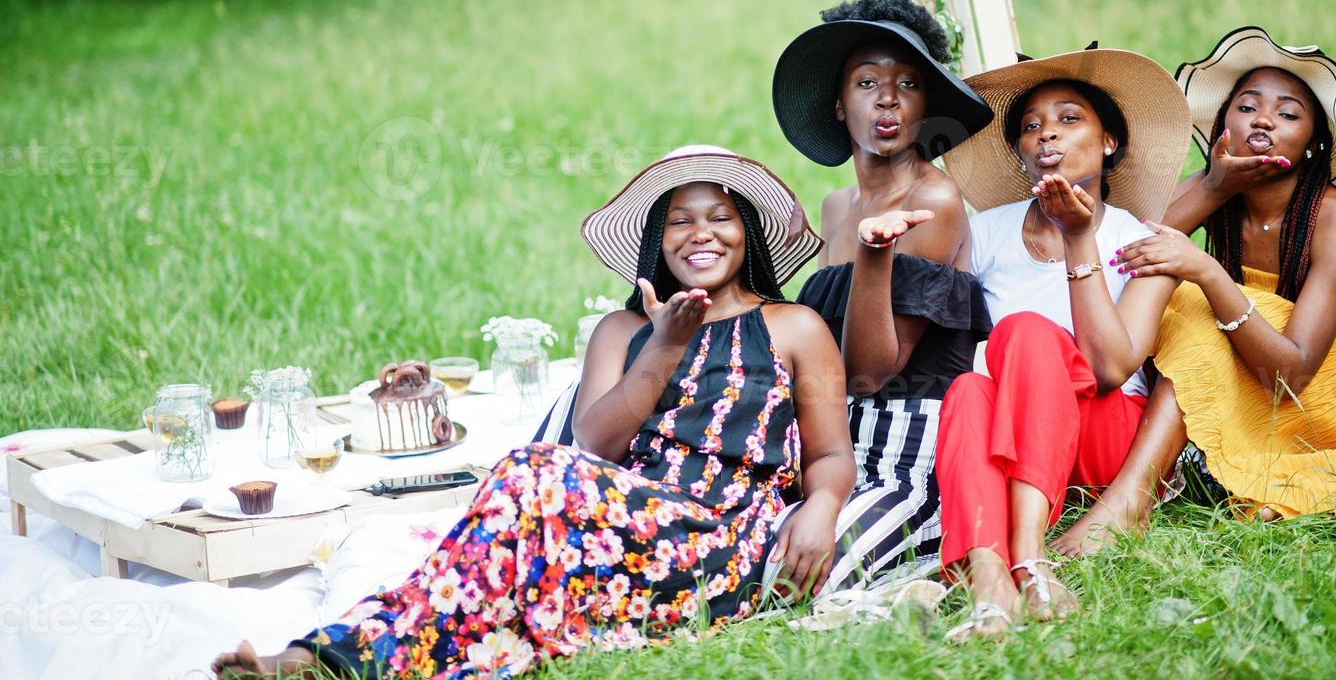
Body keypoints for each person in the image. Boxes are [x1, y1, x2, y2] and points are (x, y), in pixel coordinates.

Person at [212, 146, 855, 677]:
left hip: (721, 542)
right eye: (681, 221)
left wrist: (822, 506)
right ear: (658, 239)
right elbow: (597, 445)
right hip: (611, 528)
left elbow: (829, 455)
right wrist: (663, 346)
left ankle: (321, 660)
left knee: (526, 475)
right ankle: (321, 660)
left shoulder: (794, 327)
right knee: (493, 584)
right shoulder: (621, 330)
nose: (702, 234)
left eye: (720, 217)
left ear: (749, 232)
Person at [1055, 28, 1336, 554]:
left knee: (1191, 303)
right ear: (1221, 125)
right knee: (1172, 292)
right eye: (1248, 107)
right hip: (1257, 369)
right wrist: (1215, 186)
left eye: (1288, 114)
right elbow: (1129, 258)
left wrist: (1210, 274)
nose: (1263, 121)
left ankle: (1130, 501)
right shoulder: (1214, 190)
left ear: (1314, 142)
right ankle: (1134, 486)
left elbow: (1294, 372)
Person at [933, 47, 1191, 638]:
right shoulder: (986, 232)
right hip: (1015, 437)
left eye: (1069, 118)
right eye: (1030, 126)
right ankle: (992, 579)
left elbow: (1109, 367)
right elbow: (957, 349)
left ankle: (1030, 554)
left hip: (1102, 437)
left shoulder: (1141, 240)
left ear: (1108, 143)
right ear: (1020, 153)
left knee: (1027, 332)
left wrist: (1080, 239)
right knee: (970, 390)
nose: (1046, 132)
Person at [770, 0, 995, 592]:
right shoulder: (837, 206)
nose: (887, 97)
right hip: (826, 442)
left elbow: (870, 372)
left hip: (907, 450)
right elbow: (818, 349)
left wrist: (875, 256)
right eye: (866, 81)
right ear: (840, 106)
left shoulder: (934, 201)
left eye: (909, 83)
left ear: (927, 108)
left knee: (799, 582)